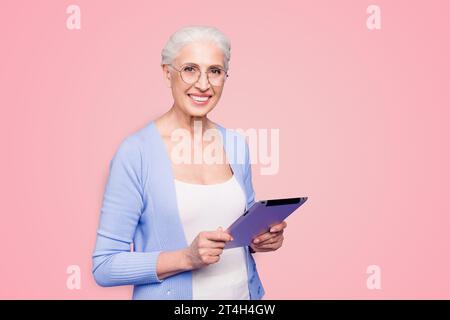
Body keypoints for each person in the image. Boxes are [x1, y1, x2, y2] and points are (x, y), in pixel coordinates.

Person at [92, 25, 287, 300]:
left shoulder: (235, 145)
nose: (203, 84)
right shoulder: (136, 153)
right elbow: (105, 266)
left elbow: (237, 236)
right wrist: (187, 257)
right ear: (167, 72)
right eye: (190, 69)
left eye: (215, 71)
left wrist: (259, 240)